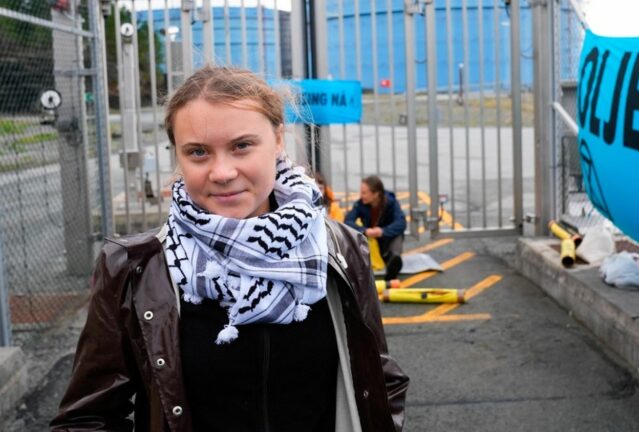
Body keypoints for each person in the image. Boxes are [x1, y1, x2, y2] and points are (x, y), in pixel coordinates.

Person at [51, 65, 408, 432]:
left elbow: (379, 381)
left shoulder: (341, 249)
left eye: (241, 146)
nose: (222, 172)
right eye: (198, 152)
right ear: (178, 156)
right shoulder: (135, 268)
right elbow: (87, 417)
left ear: (278, 139)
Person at [344, 176, 406, 281]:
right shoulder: (360, 204)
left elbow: (401, 222)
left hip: (386, 240)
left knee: (397, 236)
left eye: (364, 193)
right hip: (370, 242)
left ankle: (393, 261)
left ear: (376, 194)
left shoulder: (391, 202)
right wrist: (364, 230)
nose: (361, 195)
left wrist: (383, 231)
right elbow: (347, 221)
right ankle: (387, 262)